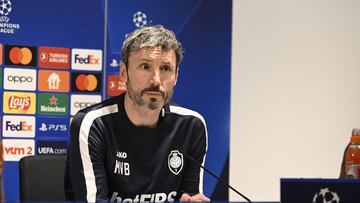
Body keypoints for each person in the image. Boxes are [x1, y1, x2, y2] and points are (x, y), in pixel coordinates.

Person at [65, 25, 210, 202]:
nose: (156, 80)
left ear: (176, 76)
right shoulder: (93, 125)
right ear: (124, 73)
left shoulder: (191, 126)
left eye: (165, 68)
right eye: (145, 66)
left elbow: (190, 196)